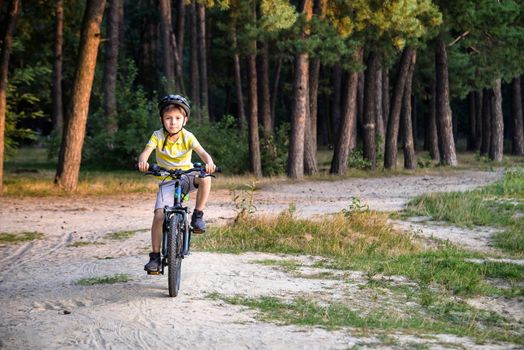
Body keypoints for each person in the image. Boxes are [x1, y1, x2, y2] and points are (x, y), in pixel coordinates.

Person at [137, 94, 216, 273]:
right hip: (167, 180)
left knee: (205, 177)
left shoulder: (188, 136)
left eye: (178, 118)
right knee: (158, 216)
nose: (173, 122)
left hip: (186, 177)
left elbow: (203, 153)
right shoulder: (157, 136)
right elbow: (145, 152)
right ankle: (155, 257)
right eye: (168, 118)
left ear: (185, 120)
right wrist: (143, 162)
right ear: (162, 119)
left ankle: (197, 216)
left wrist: (209, 163)